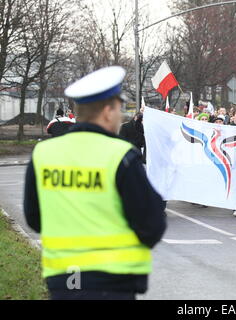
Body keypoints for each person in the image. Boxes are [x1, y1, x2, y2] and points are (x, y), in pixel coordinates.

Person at [23, 66, 166, 300]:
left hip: (64, 278)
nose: (122, 116)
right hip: (112, 281)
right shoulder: (122, 156)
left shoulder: (43, 154)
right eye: (120, 109)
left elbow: (35, 218)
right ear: (108, 111)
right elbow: (152, 223)